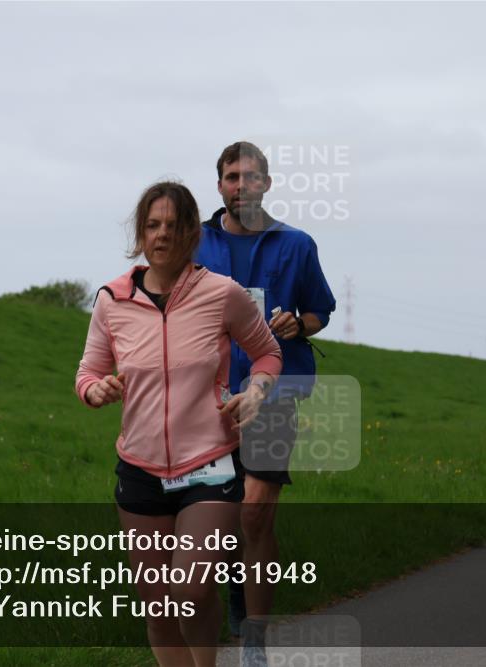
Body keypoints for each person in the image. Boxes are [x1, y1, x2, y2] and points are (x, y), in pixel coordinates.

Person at [76, 181, 282, 667]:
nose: (162, 234)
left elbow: (268, 353)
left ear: (191, 233)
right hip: (140, 467)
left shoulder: (222, 294)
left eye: (173, 225)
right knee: (159, 604)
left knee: (189, 590)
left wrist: (255, 391)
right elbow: (87, 372)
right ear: (140, 234)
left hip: (208, 462)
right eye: (152, 225)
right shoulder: (112, 300)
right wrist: (95, 390)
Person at [196, 141, 336, 664]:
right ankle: (234, 585)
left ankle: (254, 638)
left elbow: (320, 310)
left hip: (272, 392)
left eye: (250, 176)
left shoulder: (297, 244)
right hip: (205, 397)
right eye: (231, 176)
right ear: (219, 187)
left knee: (255, 511)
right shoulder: (196, 242)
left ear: (266, 184)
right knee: (221, 515)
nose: (240, 185)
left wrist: (299, 324)